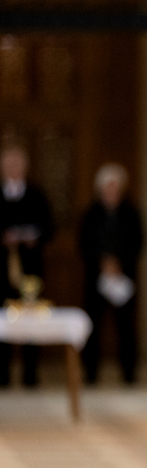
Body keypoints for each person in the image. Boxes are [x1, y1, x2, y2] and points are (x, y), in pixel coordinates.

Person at [79, 164, 145, 385]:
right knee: (93, 326)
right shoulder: (91, 214)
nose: (111, 191)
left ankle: (129, 374)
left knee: (125, 326)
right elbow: (84, 244)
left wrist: (119, 263)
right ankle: (90, 373)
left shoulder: (131, 213)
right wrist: (102, 262)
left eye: (115, 187)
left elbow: (138, 243)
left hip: (123, 277)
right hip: (96, 277)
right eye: (108, 187)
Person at [0, 144, 53, 387]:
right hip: (2, 267)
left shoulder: (36, 194)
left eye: (17, 163)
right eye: (8, 163)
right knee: (2, 319)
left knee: (31, 316)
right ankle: (2, 375)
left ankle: (30, 375)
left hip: (30, 266)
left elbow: (49, 228)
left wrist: (34, 237)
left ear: (25, 167)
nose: (13, 168)